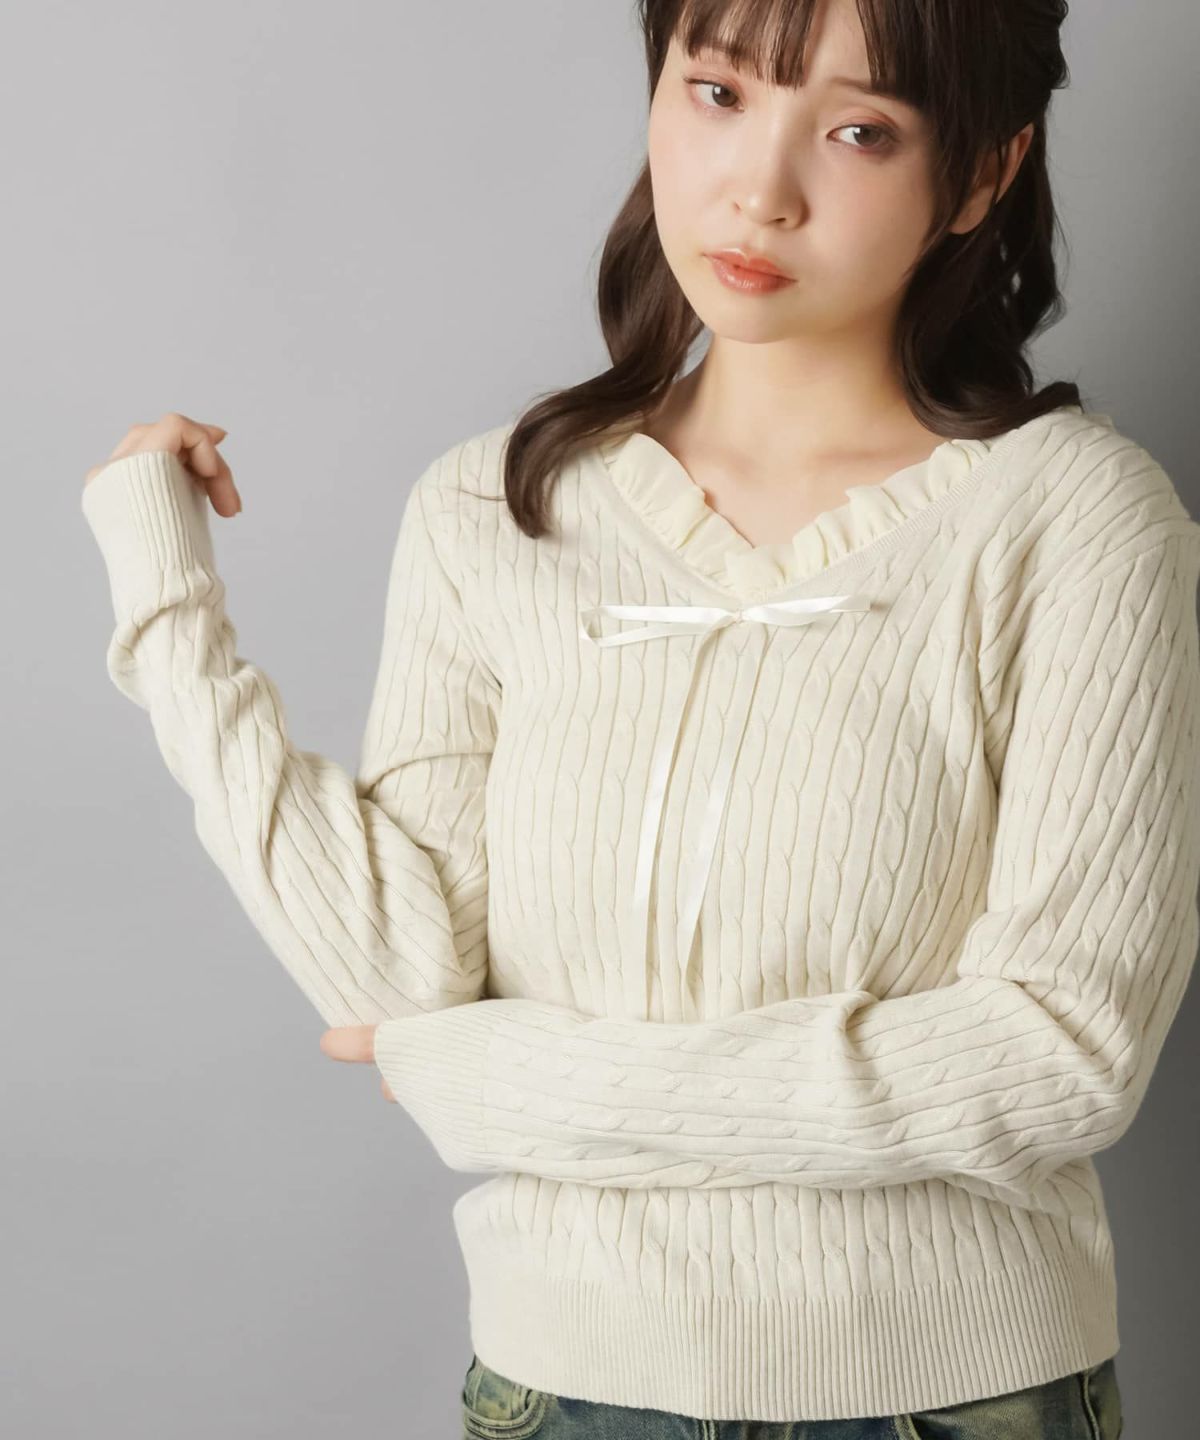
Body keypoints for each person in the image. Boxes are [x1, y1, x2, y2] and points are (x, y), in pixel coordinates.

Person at [79, 1, 1195, 1436]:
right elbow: (398, 977)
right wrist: (171, 615)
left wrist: (514, 1084)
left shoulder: (1077, 522)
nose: (760, 190)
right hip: (567, 1391)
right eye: (718, 93)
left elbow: (1062, 1053)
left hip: (958, 1397)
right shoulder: (493, 508)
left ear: (983, 172)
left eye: (861, 130)